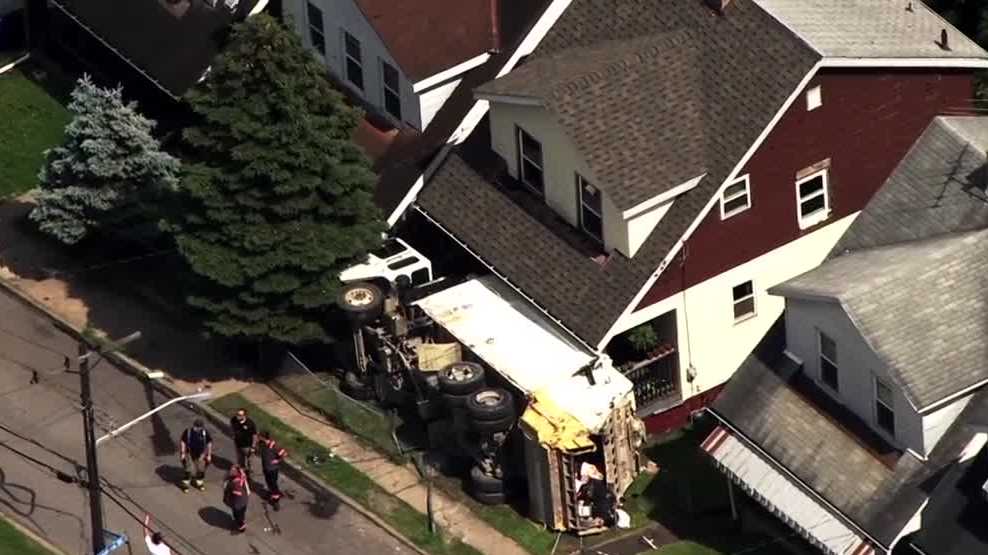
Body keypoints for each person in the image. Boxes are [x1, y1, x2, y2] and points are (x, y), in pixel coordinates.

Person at [179, 419, 212, 492]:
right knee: (189, 469)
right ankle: (185, 484)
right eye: (196, 426)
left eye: (199, 427)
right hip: (189, 453)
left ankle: (199, 483)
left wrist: (209, 454)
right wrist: (183, 453)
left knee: (201, 469)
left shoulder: (204, 432)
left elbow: (209, 443)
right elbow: (183, 442)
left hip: (201, 453)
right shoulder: (188, 432)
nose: (197, 428)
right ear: (194, 426)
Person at [257, 430, 288, 510]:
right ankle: (272, 493)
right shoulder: (261, 444)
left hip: (273, 469)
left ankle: (276, 500)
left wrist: (277, 460)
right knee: (269, 482)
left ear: (264, 437)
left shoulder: (274, 446)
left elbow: (284, 454)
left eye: (259, 436)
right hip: (266, 467)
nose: (258, 437)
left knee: (273, 484)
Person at [223, 464, 251, 533]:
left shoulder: (232, 483)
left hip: (237, 503)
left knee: (237, 515)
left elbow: (232, 492)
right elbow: (247, 490)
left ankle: (241, 525)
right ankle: (241, 521)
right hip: (244, 500)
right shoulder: (242, 477)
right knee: (241, 512)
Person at [230, 408, 258, 473]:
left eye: (239, 415)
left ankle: (249, 471)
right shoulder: (233, 420)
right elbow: (232, 427)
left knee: (250, 460)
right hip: (238, 444)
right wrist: (233, 435)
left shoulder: (250, 423)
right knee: (240, 460)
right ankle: (242, 471)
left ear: (244, 416)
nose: (237, 416)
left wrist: (253, 447)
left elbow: (254, 435)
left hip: (247, 446)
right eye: (237, 414)